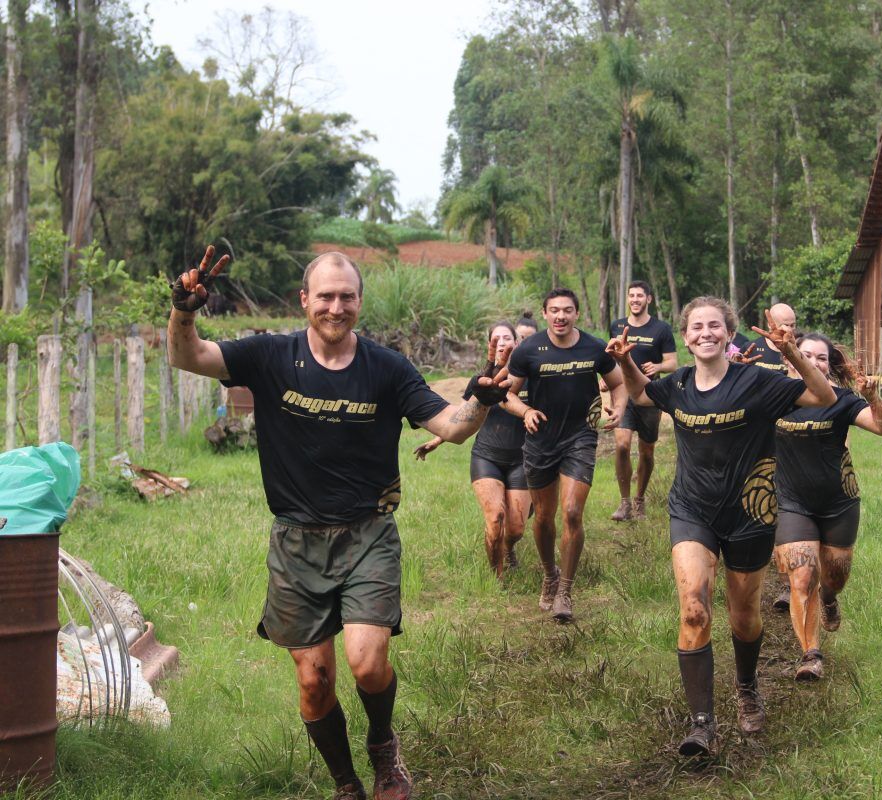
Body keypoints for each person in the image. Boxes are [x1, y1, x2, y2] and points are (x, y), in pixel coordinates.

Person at [168, 247, 510, 800]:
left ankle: (382, 747)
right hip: (296, 540)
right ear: (305, 301)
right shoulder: (269, 356)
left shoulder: (387, 368)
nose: (335, 307)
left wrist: (481, 399)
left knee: (368, 663)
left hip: (367, 531)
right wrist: (184, 310)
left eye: (346, 296)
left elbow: (450, 425)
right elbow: (190, 357)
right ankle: (346, 782)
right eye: (324, 296)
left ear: (359, 302)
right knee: (314, 682)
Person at [607, 299, 834, 757]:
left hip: (750, 515)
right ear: (686, 337)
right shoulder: (680, 384)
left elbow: (823, 397)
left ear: (729, 335)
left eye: (714, 325)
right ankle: (702, 724)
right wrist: (624, 361)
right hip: (692, 510)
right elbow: (641, 394)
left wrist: (790, 352)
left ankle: (747, 687)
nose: (705, 332)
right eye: (696, 326)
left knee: (743, 616)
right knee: (693, 609)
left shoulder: (757, 382)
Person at [772, 333, 882, 681]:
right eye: (805, 354)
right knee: (802, 577)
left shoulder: (841, 401)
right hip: (790, 502)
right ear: (790, 358)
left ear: (830, 365)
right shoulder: (771, 399)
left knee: (834, 576)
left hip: (838, 502)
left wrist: (872, 397)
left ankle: (829, 598)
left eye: (822, 357)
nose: (813, 362)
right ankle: (811, 655)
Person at [504, 288, 627, 623]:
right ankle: (549, 574)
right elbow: (507, 395)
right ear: (545, 314)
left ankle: (565, 591)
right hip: (541, 441)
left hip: (580, 438)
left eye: (567, 310)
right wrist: (525, 411)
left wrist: (618, 407)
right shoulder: (528, 350)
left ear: (576, 314)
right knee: (544, 517)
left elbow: (618, 383)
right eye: (554, 310)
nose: (561, 316)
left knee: (572, 512)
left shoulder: (593, 346)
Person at [413, 321, 537, 576]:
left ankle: (508, 548)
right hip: (487, 456)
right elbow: (460, 417)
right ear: (490, 345)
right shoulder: (480, 381)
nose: (502, 342)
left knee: (515, 529)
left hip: (522, 458)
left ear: (517, 342)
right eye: (497, 338)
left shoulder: (531, 378)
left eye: (507, 337)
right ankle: (496, 577)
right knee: (495, 518)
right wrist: (437, 440)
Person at [608, 281, 677, 521]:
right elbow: (612, 361)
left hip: (650, 394)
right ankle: (624, 502)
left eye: (640, 296)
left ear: (649, 299)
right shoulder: (617, 326)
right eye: (631, 295)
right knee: (622, 445)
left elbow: (672, 363)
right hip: (625, 395)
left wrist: (658, 365)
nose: (635, 299)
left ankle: (639, 500)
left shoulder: (661, 329)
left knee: (646, 451)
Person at [747, 303, 797, 373]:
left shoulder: (802, 350)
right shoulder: (751, 348)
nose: (789, 330)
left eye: (792, 325)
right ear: (770, 325)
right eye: (785, 325)